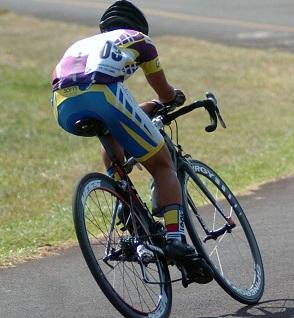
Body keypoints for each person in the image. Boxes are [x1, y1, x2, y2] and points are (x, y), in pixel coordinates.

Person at [51, 0, 212, 284]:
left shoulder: (83, 43)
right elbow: (163, 91)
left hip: (62, 105)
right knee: (162, 164)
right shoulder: (140, 40)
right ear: (138, 26)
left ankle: (123, 199)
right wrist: (169, 98)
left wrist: (145, 106)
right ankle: (175, 239)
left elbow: (115, 102)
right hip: (103, 94)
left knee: (110, 131)